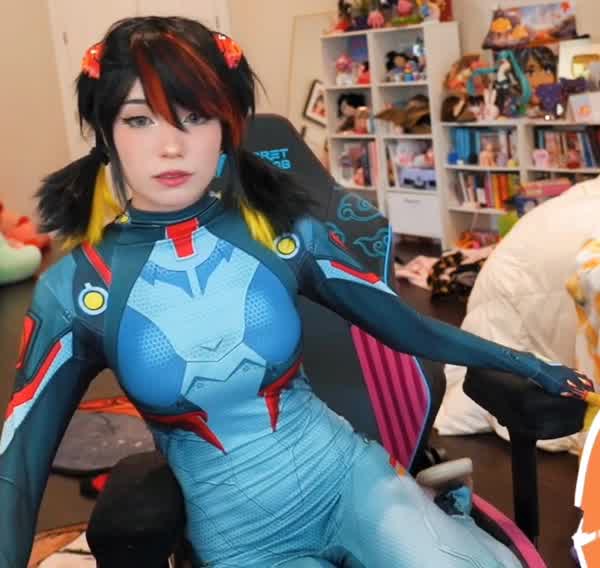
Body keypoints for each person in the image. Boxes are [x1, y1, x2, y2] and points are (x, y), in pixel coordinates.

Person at [0, 16, 592, 568]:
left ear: (227, 127)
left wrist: (527, 363)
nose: (171, 145)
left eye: (196, 116)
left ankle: (443, 515)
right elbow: (18, 468)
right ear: (105, 132)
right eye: (139, 120)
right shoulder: (76, 291)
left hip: (352, 483)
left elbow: (404, 327)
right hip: (243, 538)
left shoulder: (281, 235)